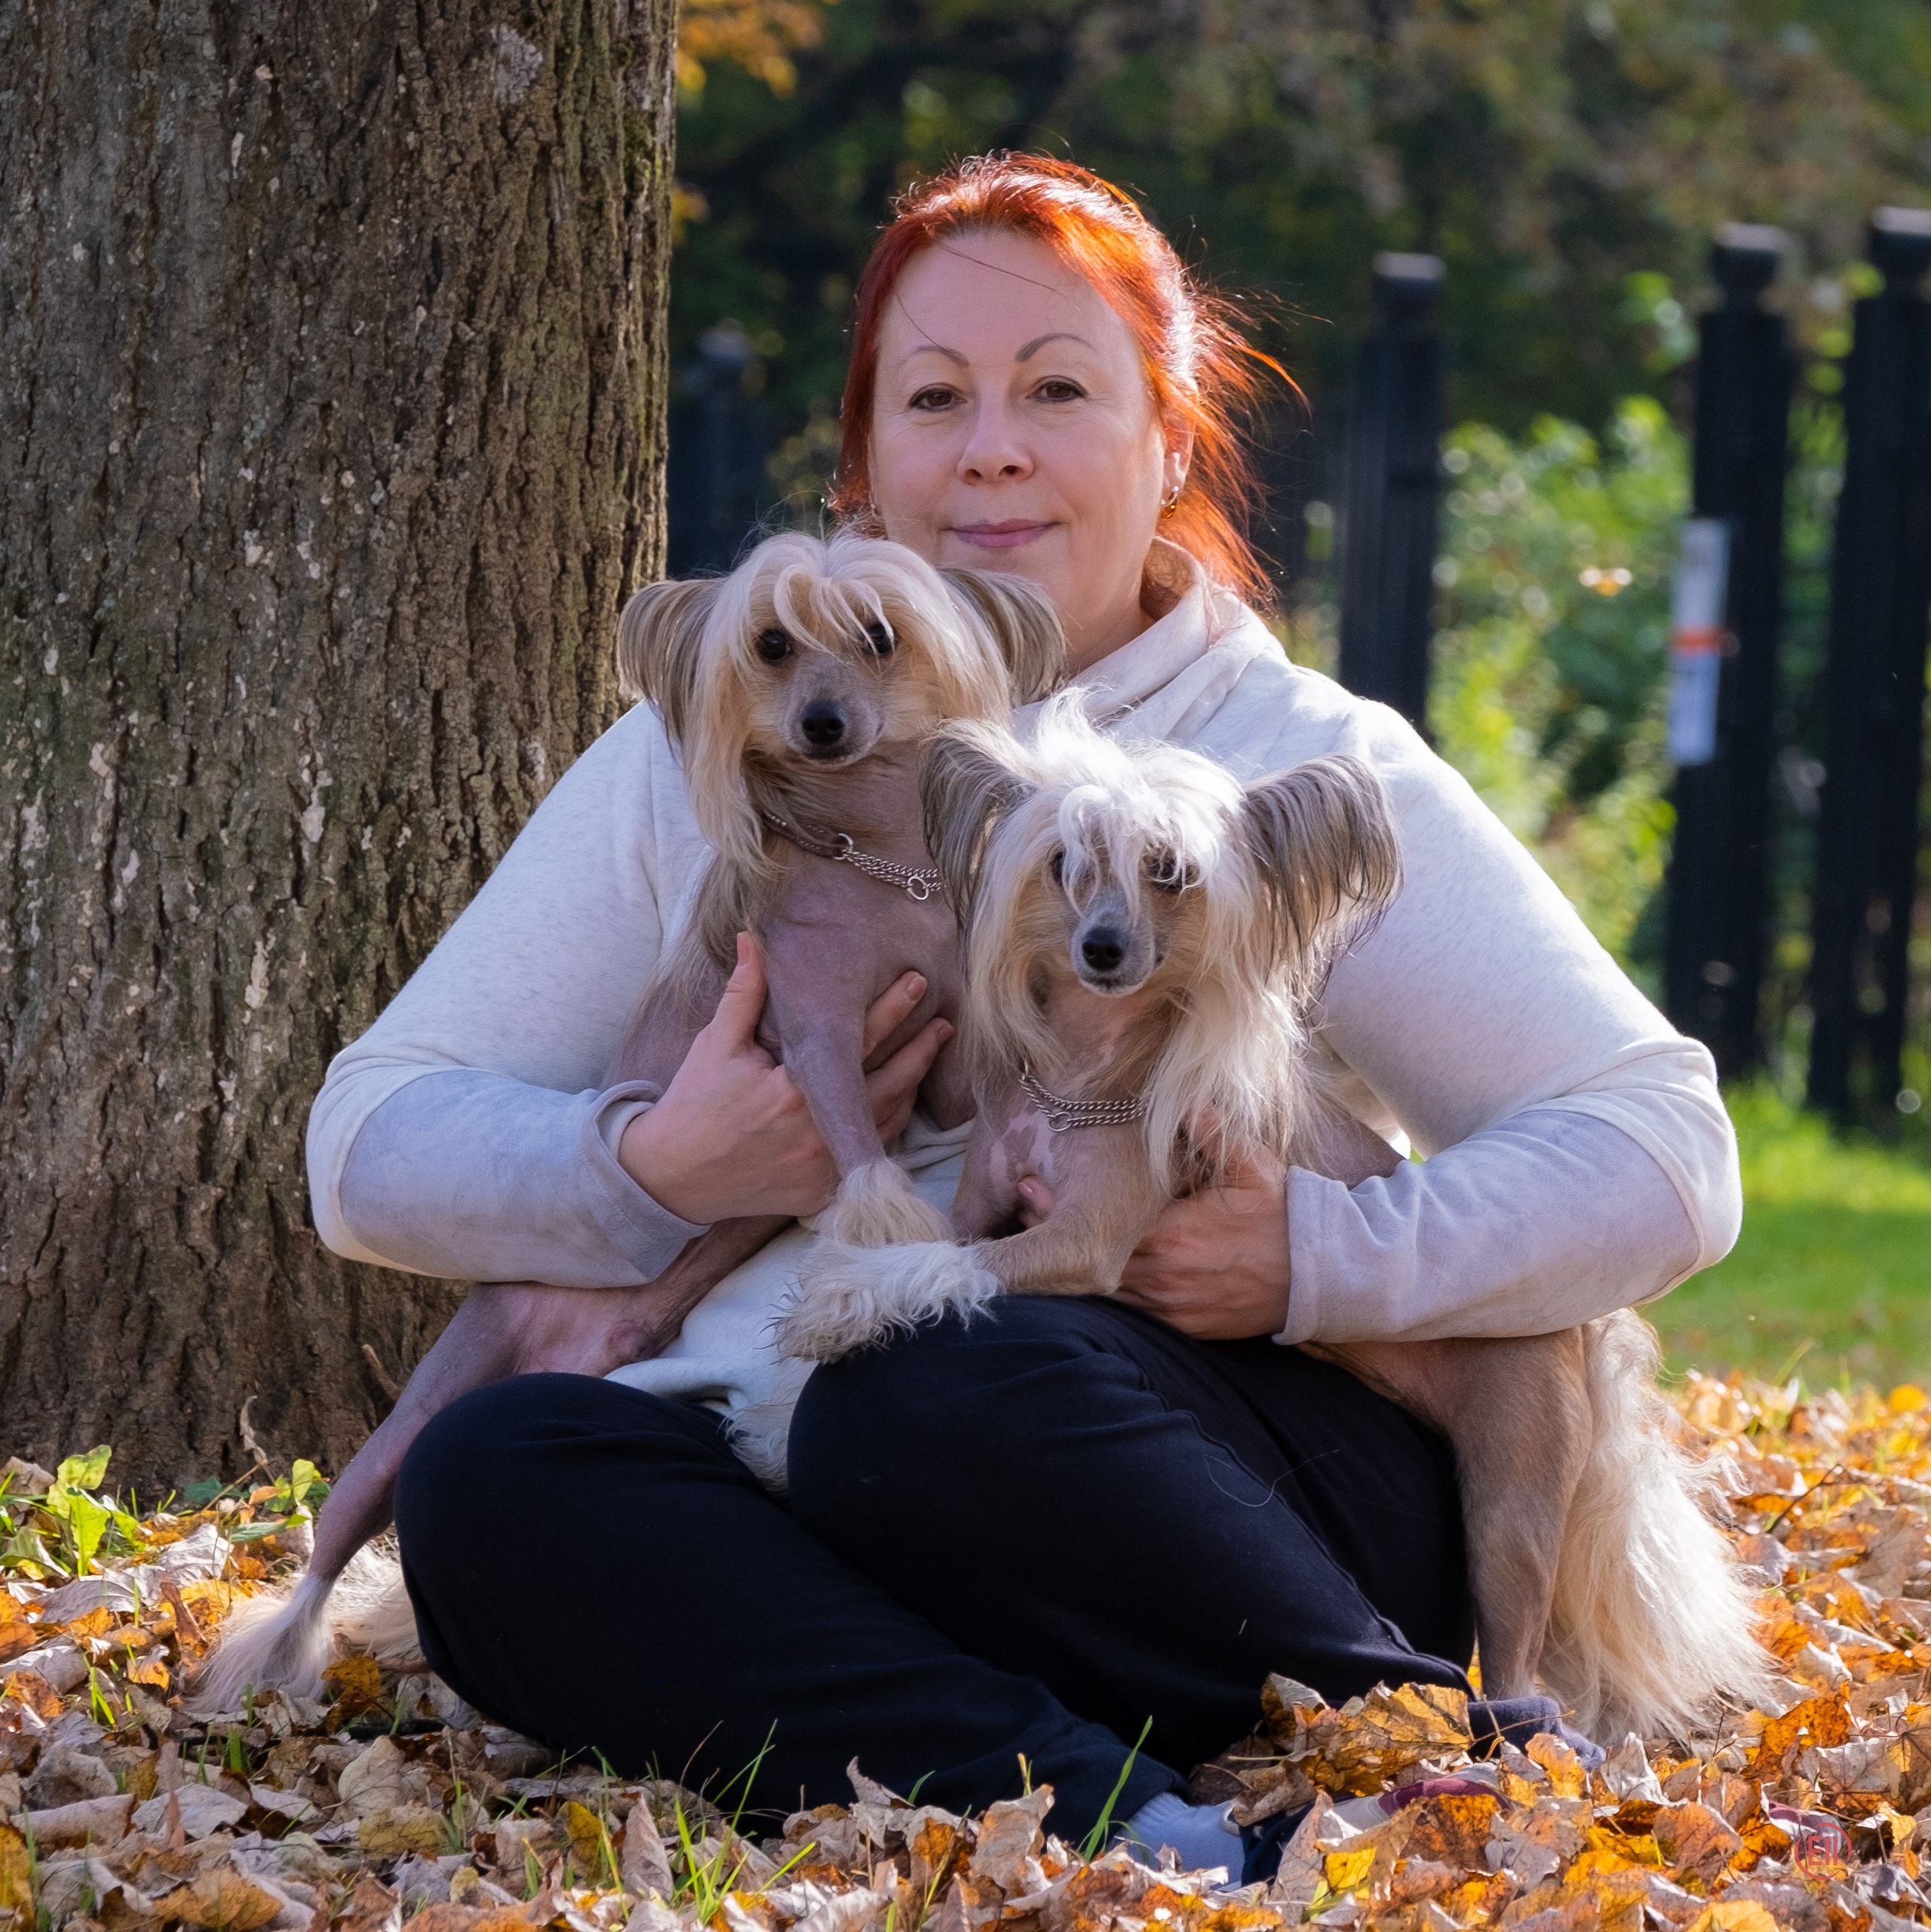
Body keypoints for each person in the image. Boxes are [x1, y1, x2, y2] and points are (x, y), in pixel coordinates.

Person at [306, 156, 1739, 1871]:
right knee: (493, 1481)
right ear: (864, 462)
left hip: (1196, 1489)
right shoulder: (726, 742)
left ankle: (1409, 1734)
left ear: (1171, 441)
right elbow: (369, 1146)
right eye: (933, 398)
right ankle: (1139, 1818)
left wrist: (1317, 1256)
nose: (990, 446)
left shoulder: (1291, 756)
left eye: (1056, 389)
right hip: (802, 1486)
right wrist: (652, 1168)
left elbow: (1664, 1152)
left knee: (924, 1388)